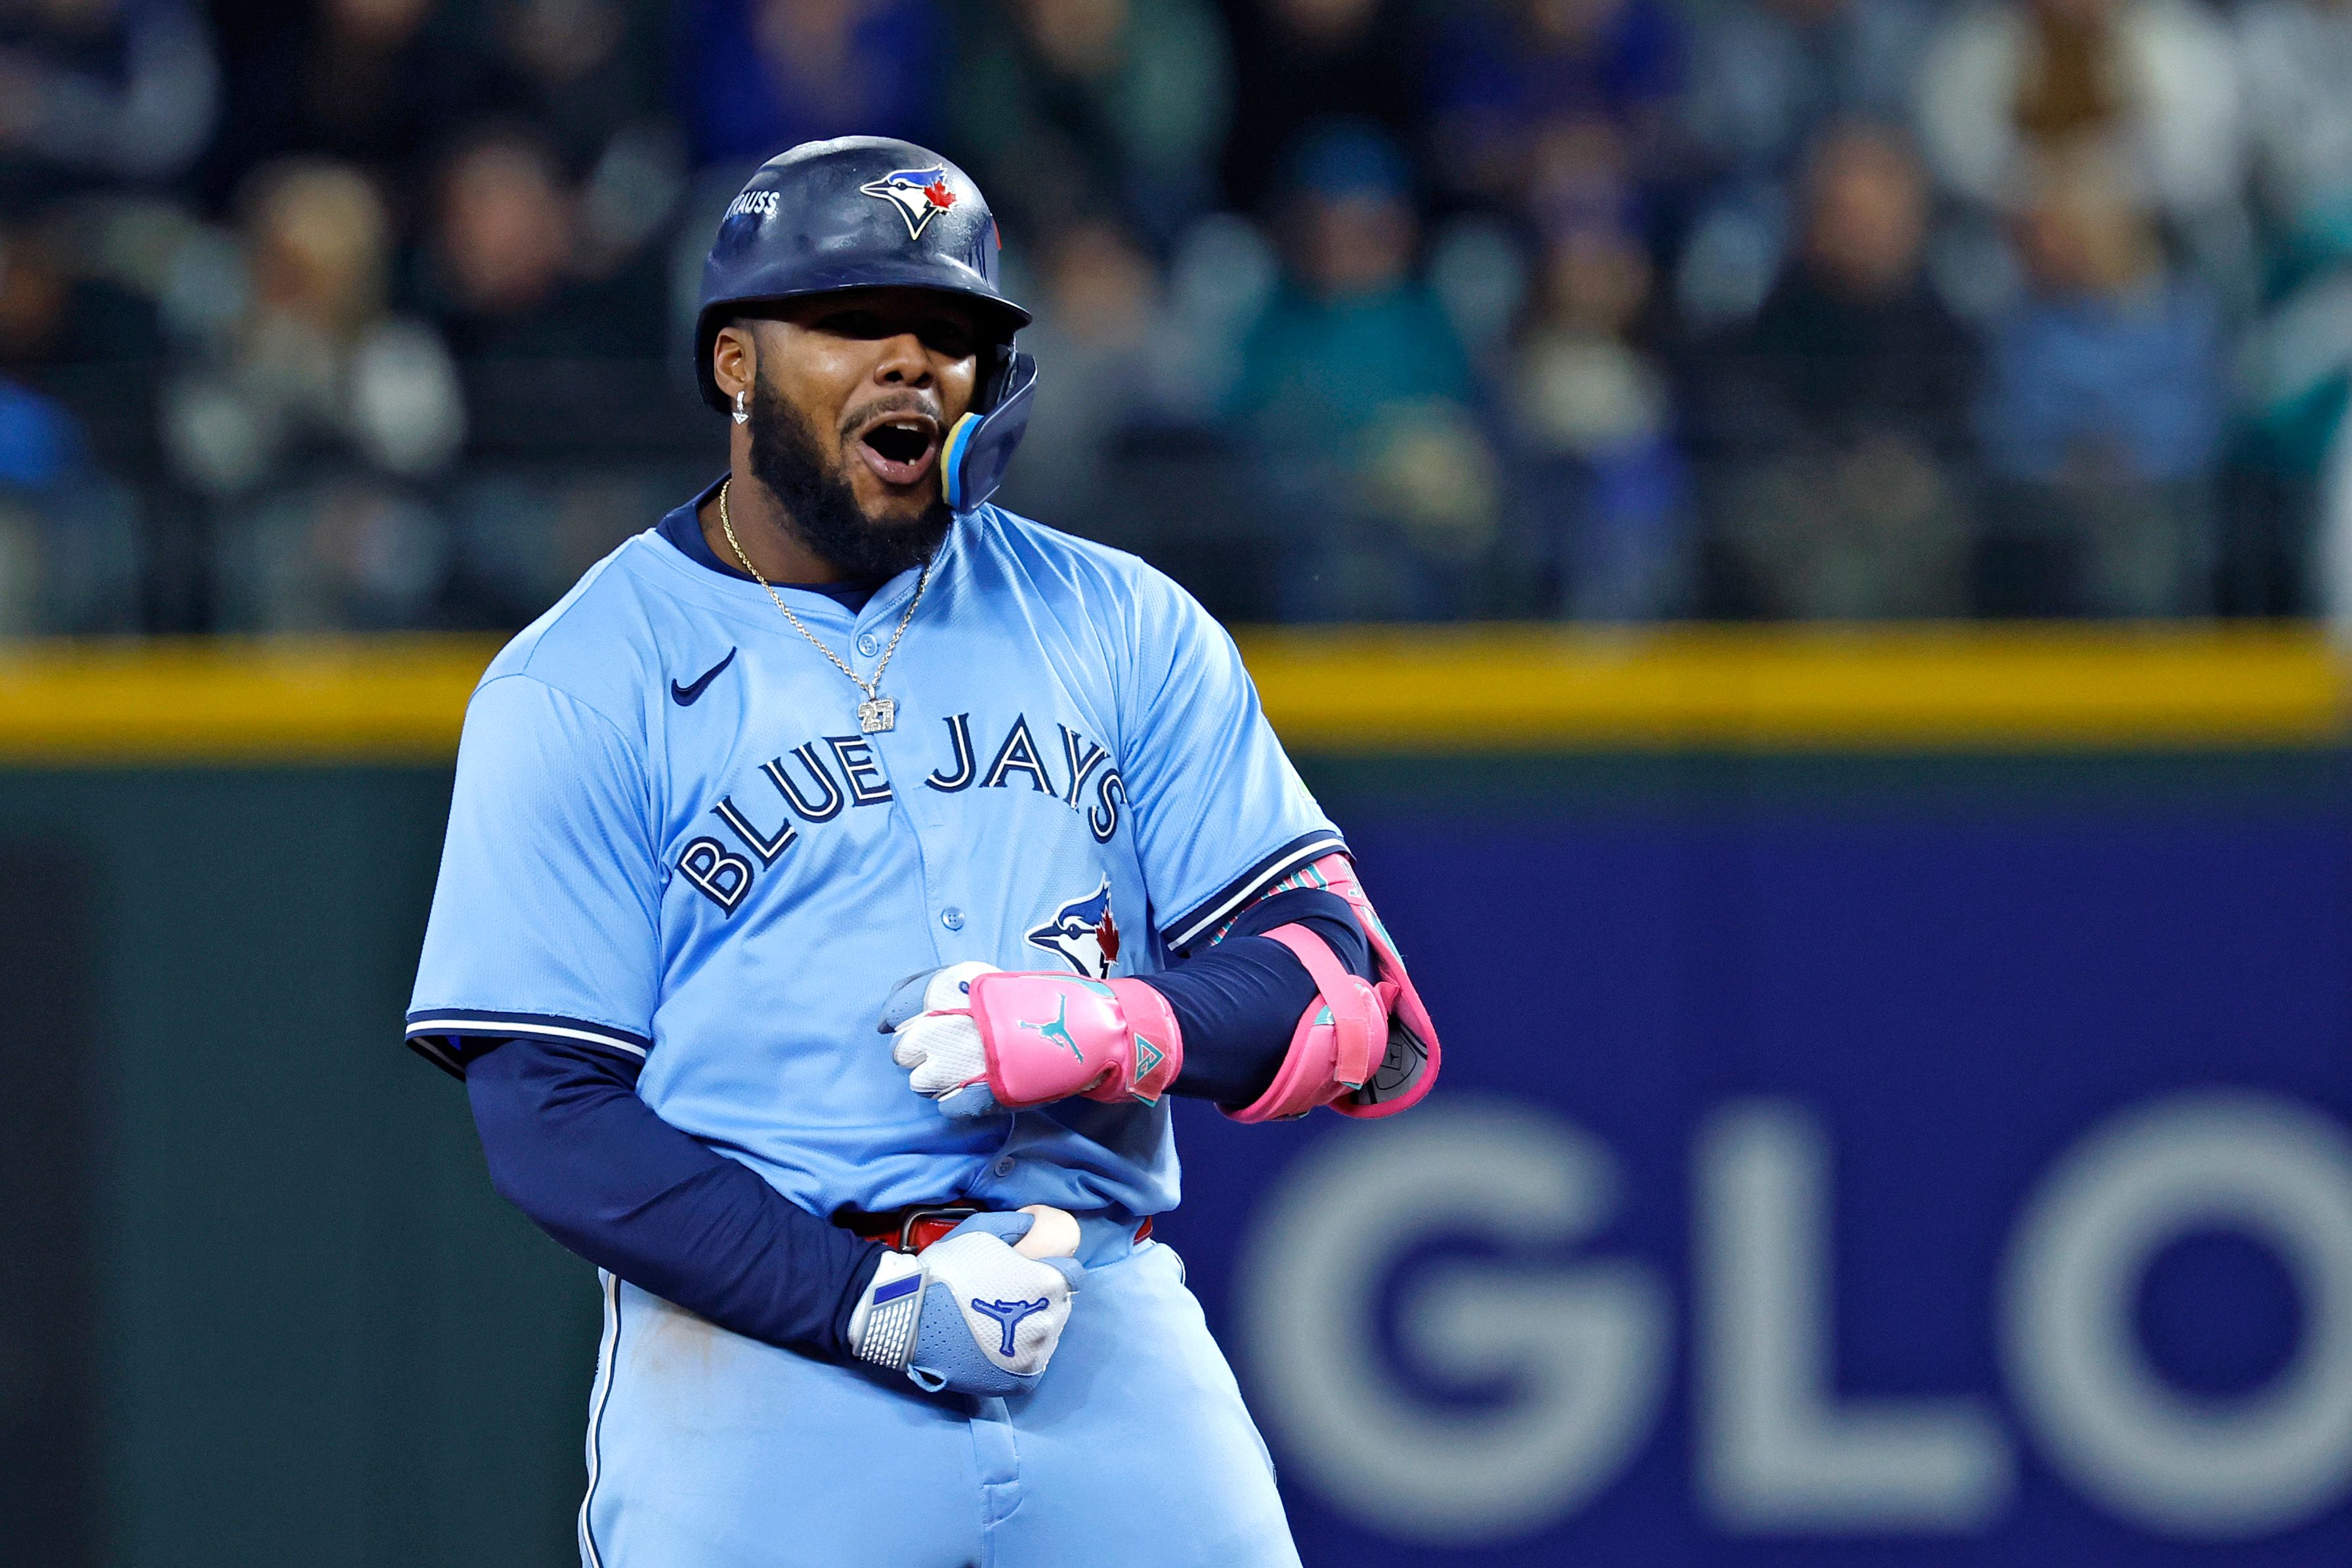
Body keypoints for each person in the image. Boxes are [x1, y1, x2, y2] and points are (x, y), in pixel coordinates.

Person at [403, 136, 1440, 1568]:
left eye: (951, 332)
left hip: (1103, 1322)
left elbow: (1349, 999)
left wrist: (1120, 1024)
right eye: (850, 322)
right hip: (766, 1352)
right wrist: (866, 1304)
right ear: (736, 366)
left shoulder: (1119, 620)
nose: (913, 363)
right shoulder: (578, 675)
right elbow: (546, 1111)